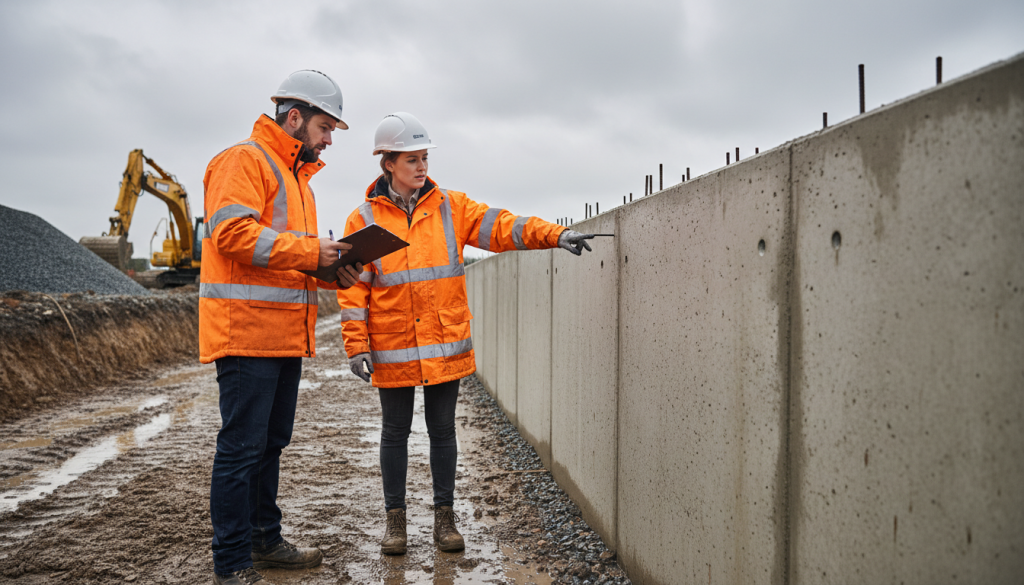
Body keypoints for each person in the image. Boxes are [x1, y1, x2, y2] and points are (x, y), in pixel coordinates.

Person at [337, 112, 594, 555]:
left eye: (424, 159)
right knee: (394, 431)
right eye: (412, 159)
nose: (422, 167)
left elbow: (505, 226)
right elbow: (353, 287)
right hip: (393, 344)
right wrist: (356, 345)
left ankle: (444, 520)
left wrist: (556, 234)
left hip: (443, 342)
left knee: (442, 430)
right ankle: (395, 524)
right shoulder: (363, 219)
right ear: (388, 164)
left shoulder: (451, 207)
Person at [199, 70, 363, 585]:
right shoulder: (243, 161)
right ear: (294, 117)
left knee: (270, 444)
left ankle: (264, 541)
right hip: (246, 334)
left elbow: (286, 258)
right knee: (241, 448)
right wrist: (315, 252)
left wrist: (333, 271)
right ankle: (232, 563)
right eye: (324, 127)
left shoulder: (297, 179)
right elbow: (233, 234)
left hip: (283, 335)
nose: (329, 139)